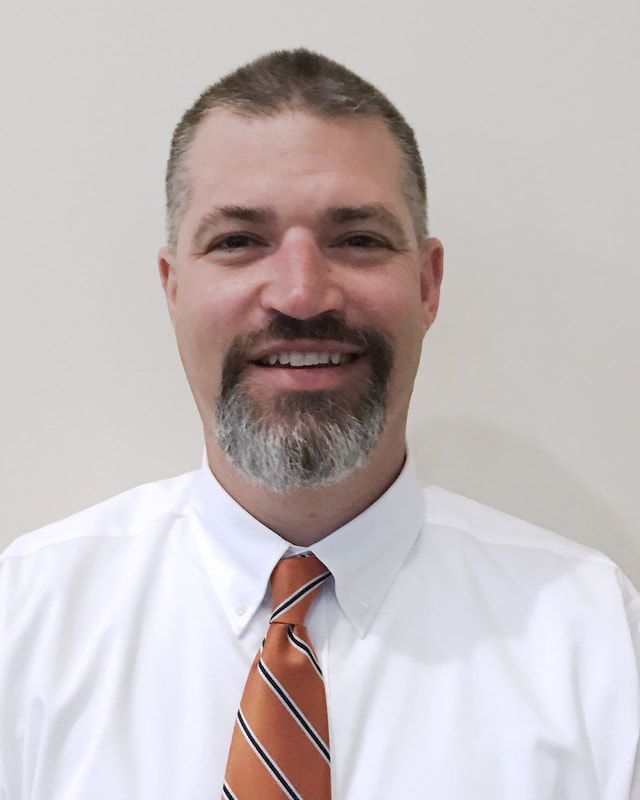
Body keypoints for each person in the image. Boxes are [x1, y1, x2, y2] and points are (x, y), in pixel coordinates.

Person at [1, 49, 638, 800]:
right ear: (173, 288)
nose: (301, 294)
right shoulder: (24, 624)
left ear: (427, 285)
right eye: (239, 241)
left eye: (358, 240)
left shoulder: (595, 638)